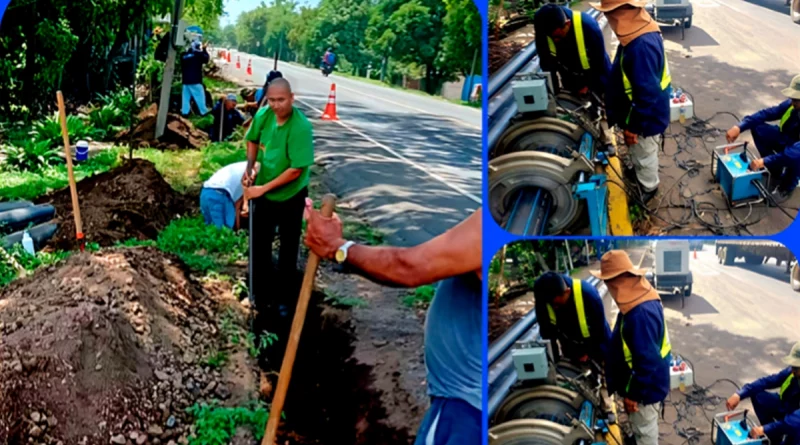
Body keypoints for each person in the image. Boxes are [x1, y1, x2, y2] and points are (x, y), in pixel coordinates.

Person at [303, 208, 481, 445]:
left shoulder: (497, 222)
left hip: (464, 413)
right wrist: (339, 250)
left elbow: (410, 266)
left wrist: (338, 247)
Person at [241, 78, 314, 320]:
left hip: (291, 194)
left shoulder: (300, 127)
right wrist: (250, 168)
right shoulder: (264, 115)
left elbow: (295, 170)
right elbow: (251, 139)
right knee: (259, 243)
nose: (276, 105)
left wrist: (262, 189)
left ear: (292, 98)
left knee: (288, 247)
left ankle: (284, 301)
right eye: (271, 100)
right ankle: (257, 294)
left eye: (281, 100)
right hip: (264, 186)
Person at [592, 0, 671, 203]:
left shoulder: (640, 45)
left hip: (644, 116)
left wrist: (634, 128)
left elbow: (647, 93)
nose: (609, 19)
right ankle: (639, 171)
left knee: (644, 152)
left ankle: (648, 186)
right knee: (640, 151)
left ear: (623, 12)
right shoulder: (638, 33)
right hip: (639, 110)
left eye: (610, 13)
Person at [591, 250, 671, 445]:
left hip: (645, 391)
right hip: (649, 384)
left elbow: (647, 360)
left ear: (616, 280)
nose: (607, 287)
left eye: (608, 282)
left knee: (645, 433)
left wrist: (633, 396)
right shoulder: (640, 298)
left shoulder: (639, 314)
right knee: (643, 429)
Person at [727, 74, 800, 202]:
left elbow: (794, 153)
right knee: (757, 126)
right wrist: (739, 127)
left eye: (796, 100)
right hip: (789, 138)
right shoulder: (792, 105)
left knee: (795, 160)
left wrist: (764, 161)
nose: (792, 103)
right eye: (792, 98)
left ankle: (786, 188)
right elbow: (767, 113)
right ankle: (775, 170)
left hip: (797, 151)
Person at [726, 342, 800, 444]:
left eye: (796, 368)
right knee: (758, 395)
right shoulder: (792, 373)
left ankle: (777, 434)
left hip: (796, 422)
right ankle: (774, 437)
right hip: (788, 409)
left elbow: (795, 421)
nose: (793, 370)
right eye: (793, 366)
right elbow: (768, 381)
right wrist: (739, 394)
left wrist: (764, 429)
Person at [533, 271, 611, 366]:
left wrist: (589, 352)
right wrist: (554, 361)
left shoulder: (588, 294)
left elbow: (598, 329)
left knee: (606, 367)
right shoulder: (544, 300)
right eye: (551, 304)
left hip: (596, 341)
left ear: (567, 291)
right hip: (569, 343)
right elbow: (547, 333)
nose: (555, 308)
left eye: (557, 304)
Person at [533, 3, 611, 99]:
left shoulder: (588, 27)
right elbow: (546, 63)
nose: (555, 40)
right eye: (551, 37)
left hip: (596, 72)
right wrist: (554, 92)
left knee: (605, 99)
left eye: (558, 36)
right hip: (569, 73)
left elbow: (598, 60)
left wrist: (589, 85)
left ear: (567, 24)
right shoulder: (543, 30)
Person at [200, 161, 259, 230]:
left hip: (205, 192)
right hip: (218, 196)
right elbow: (237, 206)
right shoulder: (249, 177)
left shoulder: (245, 167)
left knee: (211, 229)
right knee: (222, 231)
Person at [181, 40, 210, 116]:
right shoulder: (198, 55)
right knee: (200, 96)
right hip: (195, 80)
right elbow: (206, 59)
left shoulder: (184, 55)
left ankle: (185, 112)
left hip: (185, 80)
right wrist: (204, 49)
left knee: (186, 97)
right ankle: (203, 112)